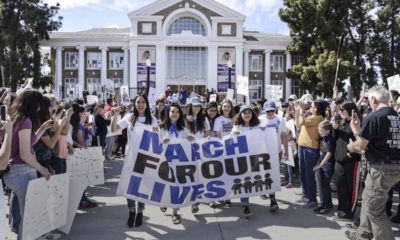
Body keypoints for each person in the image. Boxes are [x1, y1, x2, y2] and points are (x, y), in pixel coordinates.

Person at [346, 85, 400, 240]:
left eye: (368, 99)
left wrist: (350, 146)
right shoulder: (395, 116)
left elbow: (360, 146)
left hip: (381, 168)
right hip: (393, 166)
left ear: (373, 99)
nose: (368, 103)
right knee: (369, 198)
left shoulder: (375, 117)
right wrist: (357, 130)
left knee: (375, 209)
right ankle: (363, 234)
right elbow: (374, 142)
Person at [4, 90, 53, 240]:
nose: (39, 109)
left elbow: (27, 144)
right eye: (38, 105)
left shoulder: (18, 118)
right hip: (21, 172)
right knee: (30, 216)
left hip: (15, 171)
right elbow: (25, 154)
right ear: (34, 105)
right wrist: (42, 169)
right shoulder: (26, 121)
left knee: (28, 213)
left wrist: (42, 129)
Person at [112, 94, 158, 228]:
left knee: (142, 185)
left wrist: (157, 131)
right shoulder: (129, 117)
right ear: (135, 104)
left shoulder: (152, 119)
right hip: (131, 157)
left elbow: (157, 137)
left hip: (146, 158)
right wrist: (115, 115)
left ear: (147, 104)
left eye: (143, 102)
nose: (141, 104)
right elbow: (115, 129)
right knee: (130, 184)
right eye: (138, 102)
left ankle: (140, 212)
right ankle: (131, 210)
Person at [158, 102, 194, 224]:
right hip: (164, 161)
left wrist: (189, 139)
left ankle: (175, 212)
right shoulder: (161, 127)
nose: (175, 114)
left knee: (176, 186)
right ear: (168, 113)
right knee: (164, 184)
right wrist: (163, 141)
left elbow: (186, 145)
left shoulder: (183, 129)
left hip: (178, 162)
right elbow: (155, 144)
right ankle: (163, 202)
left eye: (177, 112)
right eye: (172, 111)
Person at [230, 105, 261, 218]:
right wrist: (234, 135)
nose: (247, 115)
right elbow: (230, 140)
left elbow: (263, 138)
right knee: (244, 181)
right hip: (241, 158)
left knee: (251, 180)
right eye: (244, 113)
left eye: (249, 112)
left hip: (254, 158)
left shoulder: (257, 126)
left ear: (252, 114)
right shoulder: (237, 127)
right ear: (241, 115)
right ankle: (245, 204)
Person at [332, 101, 361, 221]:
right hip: (339, 159)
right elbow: (336, 139)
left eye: (343, 110)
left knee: (351, 188)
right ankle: (342, 210)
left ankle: (349, 213)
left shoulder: (357, 123)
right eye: (340, 110)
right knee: (340, 185)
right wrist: (334, 129)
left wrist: (350, 153)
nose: (341, 112)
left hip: (352, 160)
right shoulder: (341, 122)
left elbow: (360, 141)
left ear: (350, 111)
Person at [294, 99, 325, 208]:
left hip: (311, 148)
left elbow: (301, 122)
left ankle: (312, 199)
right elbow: (298, 125)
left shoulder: (319, 118)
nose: (310, 107)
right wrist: (298, 113)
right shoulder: (310, 117)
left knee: (309, 174)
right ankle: (306, 195)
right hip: (302, 147)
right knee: (303, 172)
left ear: (318, 108)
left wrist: (301, 111)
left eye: (312, 106)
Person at [258, 101, 288, 212]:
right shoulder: (259, 120)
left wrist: (286, 150)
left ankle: (272, 199)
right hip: (263, 152)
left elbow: (284, 135)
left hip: (276, 152)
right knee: (263, 174)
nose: (270, 113)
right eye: (268, 111)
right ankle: (262, 190)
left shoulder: (280, 119)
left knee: (273, 175)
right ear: (264, 110)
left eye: (272, 110)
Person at [313, 120, 335, 214]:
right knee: (322, 185)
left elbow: (329, 153)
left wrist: (321, 164)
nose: (318, 131)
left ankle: (326, 206)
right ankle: (327, 203)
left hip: (328, 166)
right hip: (322, 164)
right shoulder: (322, 138)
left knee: (325, 185)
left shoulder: (330, 139)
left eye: (320, 129)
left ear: (327, 131)